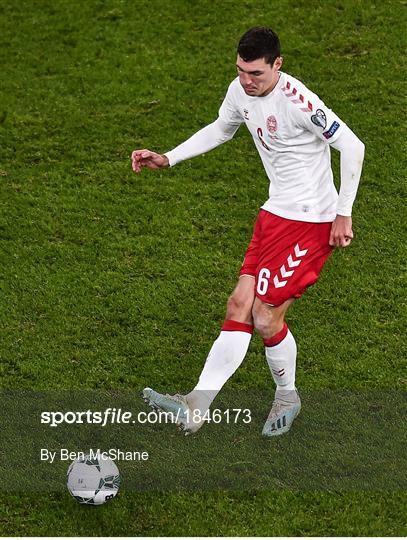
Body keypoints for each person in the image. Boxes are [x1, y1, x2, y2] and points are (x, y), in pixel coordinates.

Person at [132, 27, 365, 437]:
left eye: (255, 73)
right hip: (274, 213)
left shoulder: (299, 101)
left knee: (264, 314)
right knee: (239, 302)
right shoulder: (240, 91)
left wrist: (343, 213)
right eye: (240, 70)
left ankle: (287, 396)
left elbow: (353, 146)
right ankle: (196, 405)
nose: (246, 81)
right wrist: (169, 157)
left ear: (278, 64)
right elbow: (222, 128)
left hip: (311, 221)